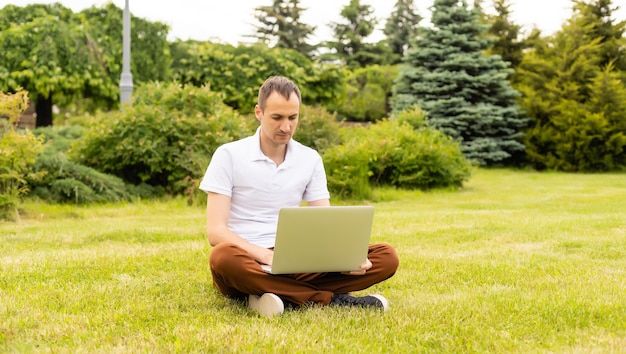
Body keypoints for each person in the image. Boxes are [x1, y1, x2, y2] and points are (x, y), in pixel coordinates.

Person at [199, 76, 399, 317]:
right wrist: (266, 256)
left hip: (297, 262)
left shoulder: (309, 158)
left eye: (292, 118)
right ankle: (331, 300)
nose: (286, 127)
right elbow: (216, 232)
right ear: (259, 113)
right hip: (248, 260)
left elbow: (325, 222)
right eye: (277, 118)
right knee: (222, 257)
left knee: (386, 256)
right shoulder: (228, 155)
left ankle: (273, 295)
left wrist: (344, 260)